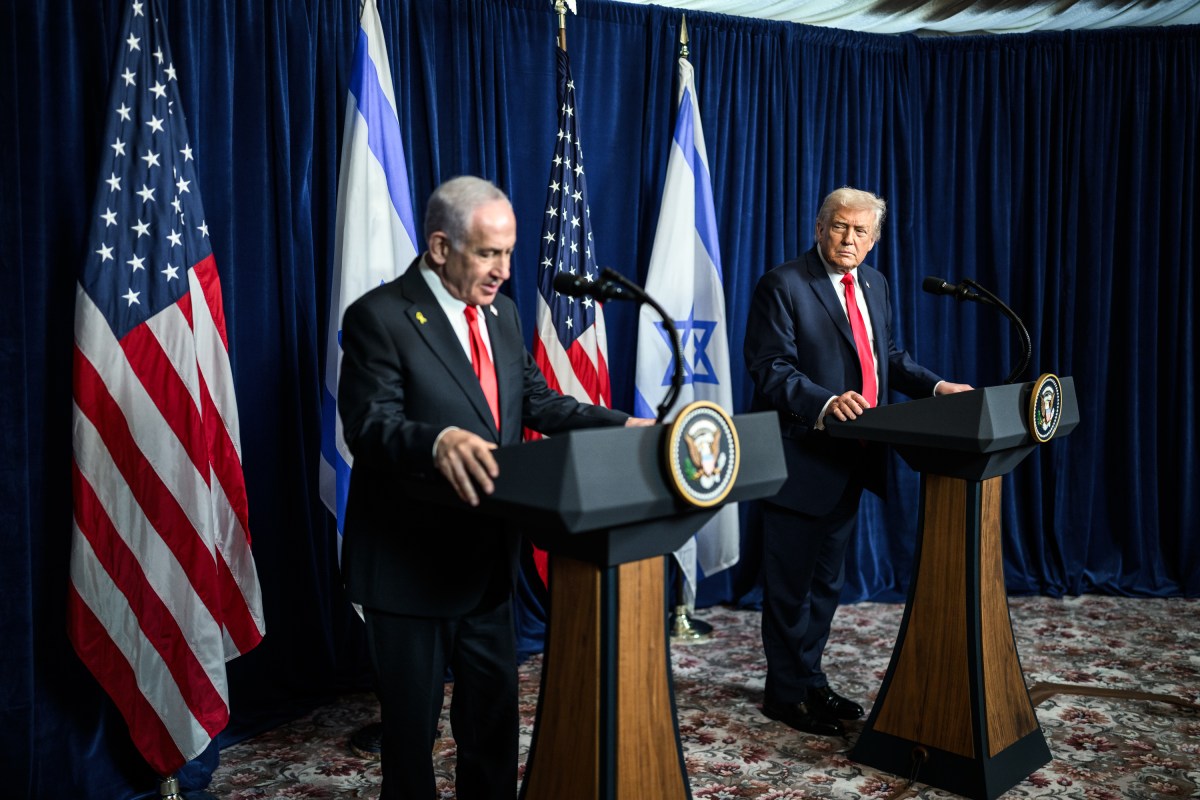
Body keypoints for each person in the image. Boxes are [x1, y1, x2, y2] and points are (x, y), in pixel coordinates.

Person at [337, 175, 652, 799]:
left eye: (508, 252)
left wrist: (624, 425)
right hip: (409, 567)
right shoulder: (380, 316)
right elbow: (370, 427)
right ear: (438, 247)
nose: (503, 269)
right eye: (487, 252)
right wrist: (436, 441)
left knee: (492, 727)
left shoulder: (503, 315)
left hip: (486, 562)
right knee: (411, 738)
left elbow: (535, 400)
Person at [742, 186, 972, 737]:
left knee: (825, 585)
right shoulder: (784, 284)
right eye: (840, 227)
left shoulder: (874, 283)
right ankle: (785, 694)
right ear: (820, 227)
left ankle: (810, 680)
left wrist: (937, 386)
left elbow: (887, 357)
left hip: (854, 457)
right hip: (801, 455)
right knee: (790, 586)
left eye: (860, 232)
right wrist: (824, 401)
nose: (849, 239)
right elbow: (770, 367)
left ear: (872, 240)